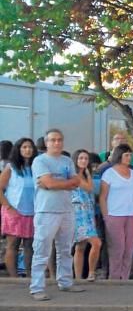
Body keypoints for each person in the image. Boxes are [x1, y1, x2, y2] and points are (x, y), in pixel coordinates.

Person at [29, 129, 83, 300]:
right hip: (46, 211)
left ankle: (65, 282)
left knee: (66, 249)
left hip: (67, 209)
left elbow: (76, 181)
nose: (57, 143)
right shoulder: (40, 161)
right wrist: (63, 184)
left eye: (59, 140)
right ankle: (37, 287)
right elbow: (48, 183)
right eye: (53, 140)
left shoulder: (67, 161)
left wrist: (56, 183)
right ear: (46, 143)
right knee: (42, 249)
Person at [100, 144, 133, 280]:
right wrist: (106, 216)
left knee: (129, 248)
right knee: (117, 248)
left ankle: (125, 277)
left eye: (130, 155)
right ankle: (114, 277)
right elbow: (102, 196)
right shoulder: (109, 173)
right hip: (114, 215)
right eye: (126, 155)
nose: (129, 158)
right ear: (119, 156)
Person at [1, 138, 37, 277]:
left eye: (30, 147)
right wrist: (8, 207)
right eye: (24, 147)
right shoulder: (11, 167)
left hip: (31, 211)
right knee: (13, 245)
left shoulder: (35, 167)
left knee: (30, 246)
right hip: (14, 211)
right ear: (18, 149)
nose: (28, 150)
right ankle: (14, 276)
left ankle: (29, 276)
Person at [70, 149, 101, 281]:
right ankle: (91, 273)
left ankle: (78, 277)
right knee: (96, 243)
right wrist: (88, 175)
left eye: (86, 159)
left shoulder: (86, 175)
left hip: (88, 212)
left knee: (81, 246)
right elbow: (88, 188)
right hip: (78, 213)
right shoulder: (74, 175)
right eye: (81, 158)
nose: (83, 161)